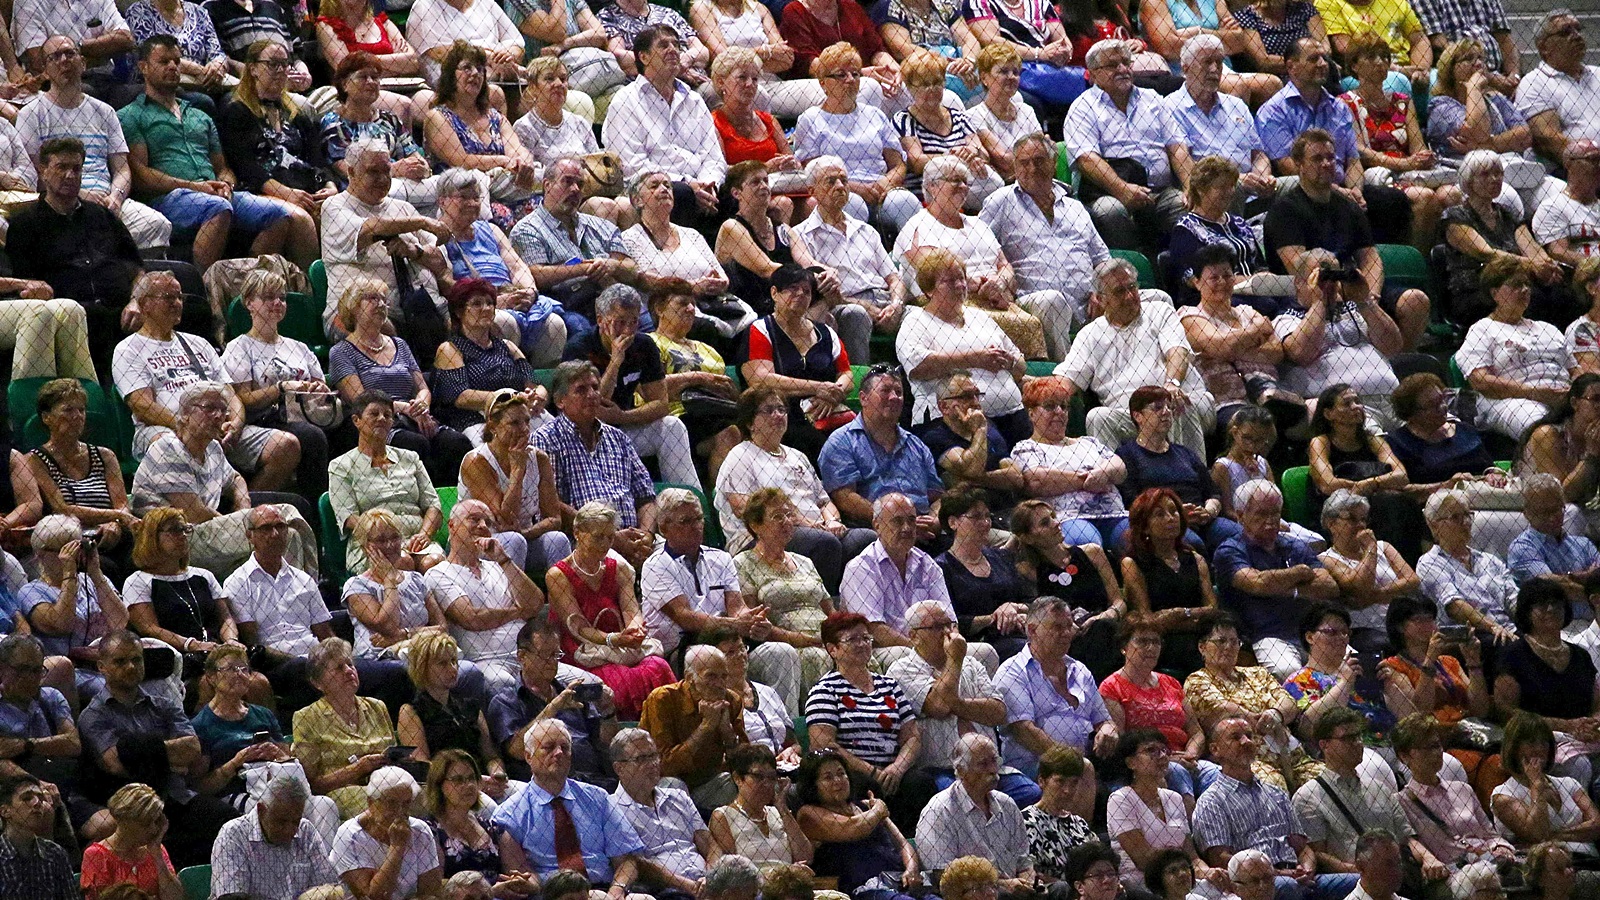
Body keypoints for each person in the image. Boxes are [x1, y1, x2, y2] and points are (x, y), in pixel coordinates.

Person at [124, 35, 313, 275]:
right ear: (144, 67)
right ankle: (206, 289)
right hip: (170, 196)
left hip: (214, 191)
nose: (173, 67)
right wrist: (197, 187)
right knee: (217, 208)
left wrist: (225, 182)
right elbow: (142, 178)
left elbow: (222, 167)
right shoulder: (131, 115)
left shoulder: (199, 114)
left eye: (177, 61)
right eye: (164, 62)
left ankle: (249, 282)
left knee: (279, 215)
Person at [116, 269, 300, 490]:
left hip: (215, 423)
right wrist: (187, 425)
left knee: (286, 445)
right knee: (170, 445)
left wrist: (236, 424)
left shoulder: (199, 344)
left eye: (179, 297)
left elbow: (230, 394)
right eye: (168, 297)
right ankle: (199, 513)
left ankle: (246, 508)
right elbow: (142, 405)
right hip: (167, 428)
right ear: (145, 304)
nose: (177, 303)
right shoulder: (129, 349)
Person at [76, 630, 235, 869]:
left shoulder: (164, 704)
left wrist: (137, 750)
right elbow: (117, 765)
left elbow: (191, 749)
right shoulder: (93, 716)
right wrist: (170, 757)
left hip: (178, 798)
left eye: (136, 659)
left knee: (229, 824)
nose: (130, 666)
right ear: (102, 667)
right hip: (135, 810)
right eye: (120, 661)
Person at [128, 382, 315, 580]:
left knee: (289, 535)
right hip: (176, 539)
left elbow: (235, 478)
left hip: (208, 533)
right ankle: (310, 589)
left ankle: (295, 599)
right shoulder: (167, 448)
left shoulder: (213, 449)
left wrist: (242, 502)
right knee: (284, 514)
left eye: (222, 410)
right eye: (209, 408)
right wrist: (246, 520)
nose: (218, 416)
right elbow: (194, 513)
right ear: (184, 415)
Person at [15, 35, 172, 254]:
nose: (64, 60)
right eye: (55, 57)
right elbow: (35, 175)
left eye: (70, 54)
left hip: (108, 202)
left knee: (157, 224)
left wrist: (116, 197)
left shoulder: (104, 111)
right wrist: (80, 195)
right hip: (60, 203)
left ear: (83, 63)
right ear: (45, 70)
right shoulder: (31, 114)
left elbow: (122, 168)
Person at [5, 137, 144, 376]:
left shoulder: (102, 216)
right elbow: (27, 288)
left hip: (124, 312)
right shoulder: (24, 225)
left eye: (76, 169)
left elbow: (139, 270)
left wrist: (137, 301)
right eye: (61, 167)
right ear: (43, 171)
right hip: (73, 319)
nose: (70, 175)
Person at [1055, 259, 1215, 458]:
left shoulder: (1159, 310)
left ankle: (1189, 482)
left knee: (1174, 403)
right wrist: (1030, 384)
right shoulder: (1089, 335)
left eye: (1132, 287)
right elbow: (1066, 382)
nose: (1130, 296)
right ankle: (1116, 485)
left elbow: (1177, 351)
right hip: (1132, 415)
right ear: (1100, 299)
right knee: (1098, 417)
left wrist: (1171, 384)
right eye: (1119, 291)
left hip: (1183, 398)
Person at [892, 159, 1049, 362]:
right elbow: (930, 272)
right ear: (932, 186)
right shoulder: (918, 226)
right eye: (955, 180)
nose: (964, 187)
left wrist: (999, 283)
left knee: (1031, 323)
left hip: (996, 298)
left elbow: (1005, 265)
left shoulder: (978, 224)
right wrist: (975, 284)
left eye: (966, 181)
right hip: (949, 303)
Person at [1192, 715, 1359, 900]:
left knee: (1359, 881)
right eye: (1235, 737)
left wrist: (1307, 868)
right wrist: (1276, 874)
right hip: (1259, 884)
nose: (1246, 741)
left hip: (1299, 877)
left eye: (1249, 735)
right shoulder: (1211, 801)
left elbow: (1303, 848)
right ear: (1215, 749)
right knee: (1287, 887)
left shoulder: (1276, 793)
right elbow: (1221, 859)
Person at [889, 600, 1035, 802]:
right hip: (941, 769)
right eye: (936, 627)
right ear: (914, 636)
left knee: (1031, 794)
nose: (947, 633)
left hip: (989, 767)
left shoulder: (973, 664)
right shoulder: (901, 670)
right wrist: (955, 660)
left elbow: (998, 712)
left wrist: (955, 703)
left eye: (949, 625)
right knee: (959, 800)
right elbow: (939, 706)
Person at [978, 132, 1106, 359]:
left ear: (1053, 163)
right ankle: (1065, 381)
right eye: (1024, 163)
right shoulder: (1001, 202)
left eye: (1039, 161)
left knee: (1158, 299)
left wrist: (1101, 290)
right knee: (1053, 301)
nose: (1032, 169)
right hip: (1033, 303)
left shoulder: (1075, 207)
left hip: (1087, 304)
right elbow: (977, 248)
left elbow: (1102, 258)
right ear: (1015, 167)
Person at [572, 286, 703, 501]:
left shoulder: (644, 345)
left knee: (672, 426)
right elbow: (593, 407)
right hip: (585, 435)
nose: (627, 330)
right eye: (620, 322)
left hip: (624, 428)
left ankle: (690, 502)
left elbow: (661, 404)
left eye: (633, 322)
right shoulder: (580, 347)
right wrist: (615, 362)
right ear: (601, 320)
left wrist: (623, 417)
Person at [547, 502, 675, 720]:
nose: (605, 544)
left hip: (620, 648)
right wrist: (613, 640)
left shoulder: (620, 568)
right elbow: (578, 628)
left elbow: (631, 610)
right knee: (620, 680)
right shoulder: (558, 575)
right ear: (577, 533)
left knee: (658, 666)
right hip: (582, 650)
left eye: (610, 537)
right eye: (598, 537)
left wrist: (635, 631)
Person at [1064, 38, 1192, 254]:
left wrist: (1190, 188)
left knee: (1188, 206)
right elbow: (1087, 159)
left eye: (1126, 62)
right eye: (1113, 65)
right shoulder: (1082, 108)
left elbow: (1177, 146)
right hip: (1112, 193)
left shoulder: (1153, 99)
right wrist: (1122, 190)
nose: (1123, 69)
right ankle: (1139, 267)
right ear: (1093, 74)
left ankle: (1182, 270)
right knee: (1110, 211)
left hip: (1161, 192)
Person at [318, 140, 452, 343]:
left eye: (386, 171)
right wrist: (423, 221)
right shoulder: (335, 206)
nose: (382, 179)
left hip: (414, 309)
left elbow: (440, 263)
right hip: (353, 312)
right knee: (378, 324)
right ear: (352, 172)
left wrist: (414, 250)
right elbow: (372, 228)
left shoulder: (403, 208)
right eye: (373, 172)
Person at [1291, 708, 1439, 886]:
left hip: (1399, 876)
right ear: (1324, 745)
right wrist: (1361, 872)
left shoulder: (1379, 788)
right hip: (1355, 881)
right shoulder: (1308, 796)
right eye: (1348, 738)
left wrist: (1429, 858)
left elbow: (1407, 838)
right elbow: (1319, 855)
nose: (1358, 743)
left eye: (1359, 736)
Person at [220, 268, 333, 500]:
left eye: (281, 298)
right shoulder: (240, 347)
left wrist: (318, 389)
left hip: (305, 412)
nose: (278, 303)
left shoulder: (299, 347)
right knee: (312, 436)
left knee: (349, 426)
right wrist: (280, 388)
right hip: (266, 418)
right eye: (269, 297)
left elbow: (320, 385)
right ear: (249, 302)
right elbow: (242, 399)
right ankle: (315, 510)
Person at [602, 25, 727, 230]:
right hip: (649, 187)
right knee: (680, 194)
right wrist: (687, 184)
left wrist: (709, 184)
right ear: (643, 57)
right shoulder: (625, 101)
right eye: (663, 45)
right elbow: (632, 166)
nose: (673, 50)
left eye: (676, 45)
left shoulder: (694, 100)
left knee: (738, 192)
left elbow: (714, 157)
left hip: (700, 185)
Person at [493, 716, 646, 883]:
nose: (559, 753)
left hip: (606, 889)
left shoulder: (598, 798)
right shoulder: (508, 814)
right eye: (549, 747)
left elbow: (626, 860)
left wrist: (617, 890)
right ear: (528, 757)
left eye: (565, 747)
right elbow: (520, 875)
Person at [328, 316, 470, 492]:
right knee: (415, 444)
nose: (380, 304)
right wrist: (405, 408)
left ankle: (452, 506)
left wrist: (422, 406)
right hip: (379, 419)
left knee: (456, 442)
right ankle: (425, 503)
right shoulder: (341, 351)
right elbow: (360, 400)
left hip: (414, 415)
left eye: (382, 298)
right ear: (353, 308)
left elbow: (422, 387)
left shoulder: (400, 344)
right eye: (372, 298)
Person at [532, 362, 660, 559]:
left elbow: (646, 497)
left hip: (634, 537)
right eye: (581, 390)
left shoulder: (618, 438)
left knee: (672, 557)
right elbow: (551, 503)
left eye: (595, 387)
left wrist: (646, 536)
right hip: (583, 539)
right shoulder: (545, 439)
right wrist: (610, 538)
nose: (592, 395)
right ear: (560, 401)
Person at [1214, 480, 1339, 679]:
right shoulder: (1230, 550)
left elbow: (1330, 586)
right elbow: (1256, 583)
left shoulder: (1295, 546)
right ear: (1240, 516)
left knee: (1350, 664)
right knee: (1287, 671)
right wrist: (1299, 573)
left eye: (1275, 513)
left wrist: (1289, 589)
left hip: (1309, 631)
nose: (1271, 521)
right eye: (1262, 514)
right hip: (1265, 636)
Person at [897, 250, 1029, 440]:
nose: (959, 285)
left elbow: (1021, 364)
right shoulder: (916, 321)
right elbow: (918, 366)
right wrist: (975, 359)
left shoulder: (979, 316)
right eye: (949, 281)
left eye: (962, 278)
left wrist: (1009, 361)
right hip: (953, 423)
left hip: (1013, 412)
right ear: (929, 289)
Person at [806, 612, 927, 812]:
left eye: (866, 638)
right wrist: (872, 772)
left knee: (920, 782)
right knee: (861, 785)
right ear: (832, 649)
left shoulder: (889, 685)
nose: (862, 644)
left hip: (893, 771)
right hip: (854, 775)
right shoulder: (825, 690)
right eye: (852, 639)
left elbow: (912, 736)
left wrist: (897, 768)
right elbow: (824, 744)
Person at [791, 43, 920, 231]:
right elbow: (811, 172)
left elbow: (898, 164)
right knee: (852, 205)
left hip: (881, 189)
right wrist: (856, 188)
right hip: (839, 190)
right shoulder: (810, 119)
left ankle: (910, 256)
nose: (850, 80)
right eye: (841, 75)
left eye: (855, 74)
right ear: (823, 82)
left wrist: (886, 183)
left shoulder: (875, 114)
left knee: (905, 201)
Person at [729, 489, 835, 713]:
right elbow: (755, 623)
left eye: (789, 515)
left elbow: (831, 611)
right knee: (814, 657)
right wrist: (807, 640)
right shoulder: (743, 563)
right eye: (777, 516)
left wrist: (839, 637)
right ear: (755, 525)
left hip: (824, 639)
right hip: (786, 644)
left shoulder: (804, 561)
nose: (787, 521)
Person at [1178, 243, 1300, 433]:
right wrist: (1255, 332)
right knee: (1254, 423)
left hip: (1273, 391)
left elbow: (1276, 352)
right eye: (1214, 278)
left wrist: (1233, 348)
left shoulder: (1247, 311)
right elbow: (1219, 346)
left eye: (1227, 276)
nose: (1222, 282)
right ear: (1197, 282)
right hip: (1228, 402)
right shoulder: (1189, 315)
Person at [791, 157, 904, 362]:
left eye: (844, 180)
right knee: (856, 314)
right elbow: (823, 292)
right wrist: (864, 305)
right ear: (811, 190)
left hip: (885, 300)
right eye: (831, 181)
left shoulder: (866, 230)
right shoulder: (802, 236)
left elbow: (894, 278)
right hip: (843, 303)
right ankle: (860, 384)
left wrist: (896, 304)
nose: (840, 186)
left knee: (921, 317)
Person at [1455, 257, 1578, 445]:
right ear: (1495, 293)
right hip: (1512, 400)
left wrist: (1579, 392)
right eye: (1516, 285)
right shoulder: (1482, 329)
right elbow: (1480, 381)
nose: (1525, 290)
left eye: (1527, 284)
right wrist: (1535, 392)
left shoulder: (1548, 328)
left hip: (1563, 397)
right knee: (1545, 431)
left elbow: (1575, 370)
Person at [741, 264, 857, 462]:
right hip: (781, 414)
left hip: (826, 410)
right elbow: (760, 380)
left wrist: (832, 394)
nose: (800, 294)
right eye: (792, 289)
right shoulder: (760, 330)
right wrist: (819, 387)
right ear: (774, 293)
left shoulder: (826, 333)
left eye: (806, 291)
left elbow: (846, 374)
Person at [994, 596, 1119, 779]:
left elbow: (1103, 719)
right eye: (1057, 627)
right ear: (1032, 630)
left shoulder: (1080, 670)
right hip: (1036, 768)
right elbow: (1026, 733)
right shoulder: (1012, 672)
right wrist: (1074, 763)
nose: (1067, 633)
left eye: (1069, 626)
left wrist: (1109, 729)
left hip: (1083, 764)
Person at [426, 500, 543, 696]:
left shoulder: (498, 567)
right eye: (474, 519)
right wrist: (518, 611)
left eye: (487, 523)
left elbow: (535, 604)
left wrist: (504, 560)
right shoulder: (438, 573)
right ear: (452, 525)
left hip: (527, 658)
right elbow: (472, 618)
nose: (482, 526)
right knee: (503, 683)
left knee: (590, 683)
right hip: (485, 661)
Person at [218, 504, 332, 705]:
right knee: (304, 669)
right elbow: (252, 643)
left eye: (280, 526)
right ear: (250, 536)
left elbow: (324, 632)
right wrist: (305, 660)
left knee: (385, 673)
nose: (275, 534)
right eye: (265, 528)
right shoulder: (237, 582)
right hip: (276, 664)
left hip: (316, 658)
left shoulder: (303, 579)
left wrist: (342, 658)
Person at [1003, 499, 1127, 680]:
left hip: (1103, 623)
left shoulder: (1092, 553)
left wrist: (1106, 615)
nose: (1056, 523)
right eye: (1045, 523)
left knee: (1102, 630)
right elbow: (1000, 558)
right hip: (1065, 634)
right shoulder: (1028, 570)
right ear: (1028, 538)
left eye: (1053, 517)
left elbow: (1119, 601)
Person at [1116, 385, 1243, 553]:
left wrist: (1209, 511)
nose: (1166, 412)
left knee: (1241, 535)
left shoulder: (1185, 453)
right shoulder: (1127, 454)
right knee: (1193, 544)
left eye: (1169, 407)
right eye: (1158, 408)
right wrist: (1177, 514)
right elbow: (1132, 499)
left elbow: (1212, 491)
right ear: (1138, 416)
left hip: (1203, 520)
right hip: (1166, 523)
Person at [1492, 580, 1600, 775]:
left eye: (1557, 603)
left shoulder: (1581, 656)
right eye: (1542, 605)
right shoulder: (1513, 656)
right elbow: (1507, 712)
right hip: (1539, 743)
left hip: (1587, 738)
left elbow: (1597, 704)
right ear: (1527, 612)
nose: (1551, 609)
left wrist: (1592, 723)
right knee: (1580, 766)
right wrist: (1566, 726)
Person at [459, 392, 572, 577]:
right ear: (493, 426)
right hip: (478, 541)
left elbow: (554, 519)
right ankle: (512, 604)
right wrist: (518, 471)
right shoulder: (476, 461)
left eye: (527, 421)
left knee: (557, 540)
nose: (524, 429)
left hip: (523, 537)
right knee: (513, 540)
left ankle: (560, 601)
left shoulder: (540, 459)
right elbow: (503, 518)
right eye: (514, 423)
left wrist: (527, 532)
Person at [1008, 377, 1127, 549]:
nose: (1059, 411)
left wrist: (1102, 473)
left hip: (1114, 514)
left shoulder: (1089, 443)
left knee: (1141, 539)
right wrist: (1091, 480)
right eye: (1050, 406)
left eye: (1063, 406)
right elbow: (1037, 481)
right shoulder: (1027, 448)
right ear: (1031, 413)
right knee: (1087, 544)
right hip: (1068, 518)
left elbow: (1120, 468)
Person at [20, 515, 127, 703]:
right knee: (113, 689)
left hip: (111, 663)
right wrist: (69, 575)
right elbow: (62, 624)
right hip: (71, 670)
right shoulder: (31, 591)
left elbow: (120, 621)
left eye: (75, 548)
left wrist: (95, 571)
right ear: (40, 554)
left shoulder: (93, 582)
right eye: (63, 550)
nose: (71, 556)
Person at [290, 637, 401, 820]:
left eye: (350, 665)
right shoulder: (307, 717)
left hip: (387, 782)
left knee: (424, 792)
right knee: (379, 801)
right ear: (318, 683)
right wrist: (357, 769)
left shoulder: (377, 707)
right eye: (339, 668)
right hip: (342, 792)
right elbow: (312, 784)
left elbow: (394, 754)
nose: (349, 671)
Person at [1100, 623, 1216, 797]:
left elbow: (1196, 732)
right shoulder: (1111, 687)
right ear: (1124, 647)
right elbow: (1123, 743)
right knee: (1176, 772)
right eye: (1142, 641)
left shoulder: (1172, 683)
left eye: (1156, 642)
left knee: (1215, 773)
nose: (1151, 647)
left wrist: (1190, 754)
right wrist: (1165, 758)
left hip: (1184, 757)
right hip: (1146, 761)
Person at [819, 369, 943, 532]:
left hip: (923, 531)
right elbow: (845, 498)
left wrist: (934, 520)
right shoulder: (841, 441)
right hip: (873, 531)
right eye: (885, 391)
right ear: (863, 398)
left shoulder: (917, 445)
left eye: (898, 392)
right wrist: (896, 522)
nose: (894, 397)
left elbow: (937, 496)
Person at [1105, 729, 1226, 893]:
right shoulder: (1120, 800)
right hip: (1144, 886)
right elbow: (1143, 860)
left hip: (1182, 880)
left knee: (1225, 891)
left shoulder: (1174, 798)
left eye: (1164, 750)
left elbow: (1192, 857)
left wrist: (1207, 871)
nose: (1162, 756)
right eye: (1151, 750)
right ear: (1130, 762)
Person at [1164, 37, 1277, 211]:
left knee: (1295, 184)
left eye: (1219, 62)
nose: (1215, 69)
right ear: (1185, 68)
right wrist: (1237, 179)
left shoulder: (1236, 105)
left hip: (1255, 188)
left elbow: (1258, 154)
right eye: (1207, 62)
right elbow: (1184, 162)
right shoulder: (1171, 107)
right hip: (1213, 192)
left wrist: (1263, 176)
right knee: (1231, 189)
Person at [422, 42, 540, 209]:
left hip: (505, 188)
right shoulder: (438, 117)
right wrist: (503, 161)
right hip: (463, 198)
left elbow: (517, 148)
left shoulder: (496, 118)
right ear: (450, 75)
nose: (475, 73)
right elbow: (461, 161)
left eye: (480, 68)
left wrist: (524, 162)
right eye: (467, 68)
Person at [838, 493, 954, 660]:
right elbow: (874, 629)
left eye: (911, 520)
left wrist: (949, 644)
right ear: (877, 525)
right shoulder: (861, 568)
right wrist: (920, 650)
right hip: (883, 649)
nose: (907, 528)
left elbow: (949, 619)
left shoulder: (927, 564)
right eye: (898, 521)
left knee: (984, 651)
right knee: (904, 655)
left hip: (933, 647)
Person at [792, 746, 919, 898]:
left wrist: (911, 869)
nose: (838, 781)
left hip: (897, 881)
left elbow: (902, 843)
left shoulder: (866, 806)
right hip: (861, 890)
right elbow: (853, 828)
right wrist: (878, 810)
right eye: (828, 777)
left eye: (841, 773)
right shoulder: (809, 813)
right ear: (813, 786)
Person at [1306, 384, 1416, 558]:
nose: (1356, 407)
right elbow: (1327, 484)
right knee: (1391, 502)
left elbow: (1402, 477)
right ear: (1328, 414)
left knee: (1402, 502)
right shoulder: (1321, 442)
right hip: (1337, 509)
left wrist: (1367, 484)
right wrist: (1378, 484)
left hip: (1377, 502)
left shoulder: (1373, 441)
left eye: (1357, 401)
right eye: (1347, 403)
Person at [513, 59, 626, 225]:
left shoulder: (579, 122)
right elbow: (529, 176)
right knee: (604, 206)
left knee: (628, 206)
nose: (559, 84)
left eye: (563, 79)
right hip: (549, 200)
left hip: (586, 192)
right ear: (533, 87)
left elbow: (596, 164)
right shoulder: (524, 127)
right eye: (549, 79)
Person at [1121, 489, 1219, 677]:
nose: (1170, 518)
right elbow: (1148, 620)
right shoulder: (1133, 564)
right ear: (1145, 526)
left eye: (1174, 511)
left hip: (1201, 635)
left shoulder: (1196, 558)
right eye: (1159, 514)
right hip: (1161, 642)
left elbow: (1213, 609)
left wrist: (1180, 614)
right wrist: (1193, 617)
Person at [915, 733, 1034, 885]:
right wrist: (1004, 885)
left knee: (1059, 889)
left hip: (1014, 889)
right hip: (972, 894)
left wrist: (1028, 883)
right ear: (961, 770)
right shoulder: (939, 811)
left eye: (994, 761)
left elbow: (1024, 863)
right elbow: (944, 876)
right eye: (983, 764)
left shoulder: (1008, 805)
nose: (993, 769)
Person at [1319, 489, 1422, 665]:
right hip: (1364, 629)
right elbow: (1359, 586)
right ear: (1331, 523)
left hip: (1402, 623)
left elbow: (1412, 581)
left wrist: (1371, 597)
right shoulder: (1327, 559)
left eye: (1363, 519)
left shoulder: (1385, 547)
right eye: (1352, 519)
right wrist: (1370, 550)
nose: (1360, 525)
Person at [639, 646, 746, 809]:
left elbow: (745, 765)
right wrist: (705, 728)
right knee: (673, 786)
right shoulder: (662, 699)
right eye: (711, 676)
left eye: (724, 676)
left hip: (708, 784)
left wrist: (728, 734)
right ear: (690, 678)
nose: (720, 684)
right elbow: (663, 767)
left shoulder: (732, 700)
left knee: (740, 784)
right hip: (664, 784)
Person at [607, 728, 711, 896]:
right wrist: (689, 886)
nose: (653, 764)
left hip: (706, 881)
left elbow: (709, 844)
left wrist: (711, 877)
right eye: (641, 758)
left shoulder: (679, 796)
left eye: (654, 755)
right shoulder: (612, 808)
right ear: (619, 768)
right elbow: (638, 864)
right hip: (667, 890)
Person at [395, 632, 507, 785]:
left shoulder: (470, 707)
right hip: (446, 790)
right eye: (442, 663)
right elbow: (422, 765)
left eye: (454, 661)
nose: (453, 668)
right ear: (422, 668)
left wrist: (497, 774)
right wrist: (472, 781)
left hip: (483, 782)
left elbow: (491, 756)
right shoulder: (411, 712)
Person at [1416, 490, 1520, 650]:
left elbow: (1513, 599)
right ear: (1434, 525)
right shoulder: (1430, 563)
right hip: (1471, 636)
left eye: (1467, 515)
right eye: (1455, 517)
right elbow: (1455, 606)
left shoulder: (1490, 560)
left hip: (1508, 631)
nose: (1465, 522)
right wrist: (1492, 627)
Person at [936, 487, 1030, 661]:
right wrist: (994, 618)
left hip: (1020, 634)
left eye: (988, 516)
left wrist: (1013, 607)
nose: (986, 523)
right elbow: (952, 622)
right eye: (976, 517)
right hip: (980, 645)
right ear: (953, 522)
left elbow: (1029, 600)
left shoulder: (1001, 557)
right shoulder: (941, 568)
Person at [1489, 712, 1600, 853]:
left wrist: (1553, 836)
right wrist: (1537, 787)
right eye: (1531, 742)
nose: (1540, 748)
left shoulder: (1569, 783)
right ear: (1514, 747)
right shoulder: (1503, 795)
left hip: (1589, 861)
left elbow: (1597, 825)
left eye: (1544, 742)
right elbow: (1537, 835)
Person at [424, 749, 535, 890]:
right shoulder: (430, 831)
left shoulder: (492, 828)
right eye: (458, 780)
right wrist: (490, 892)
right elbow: (433, 887)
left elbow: (527, 874)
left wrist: (522, 883)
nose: (469, 785)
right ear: (439, 785)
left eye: (472, 778)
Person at [1384, 373, 1504, 503]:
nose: (1443, 407)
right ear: (1412, 415)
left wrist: (1494, 474)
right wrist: (1446, 485)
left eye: (1442, 399)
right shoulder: (1398, 443)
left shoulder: (1465, 430)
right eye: (1433, 405)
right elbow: (1398, 490)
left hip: (1483, 501)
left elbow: (1489, 467)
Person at [331, 765, 444, 900]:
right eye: (391, 803)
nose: (400, 811)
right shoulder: (350, 836)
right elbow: (373, 896)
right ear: (371, 803)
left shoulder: (420, 830)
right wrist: (397, 847)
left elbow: (431, 893)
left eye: (406, 803)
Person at [1507, 476, 1600, 622]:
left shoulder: (1583, 544)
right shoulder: (1522, 547)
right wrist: (1589, 583)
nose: (1552, 518)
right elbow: (1551, 588)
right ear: (1527, 514)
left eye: (1557, 509)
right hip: (1556, 629)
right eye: (1544, 512)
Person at [707, 742, 812, 869]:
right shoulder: (723, 816)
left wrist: (782, 807)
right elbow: (734, 872)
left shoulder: (777, 813)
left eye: (771, 777)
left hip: (788, 884)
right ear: (738, 778)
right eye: (758, 776)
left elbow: (805, 857)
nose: (767, 784)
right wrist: (783, 874)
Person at [1515, 10, 1600, 162]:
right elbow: (1548, 139)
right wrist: (1592, 157)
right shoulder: (1534, 82)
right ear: (1544, 47)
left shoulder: (1597, 73)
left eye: (1578, 29)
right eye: (1565, 32)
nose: (1576, 36)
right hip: (1574, 168)